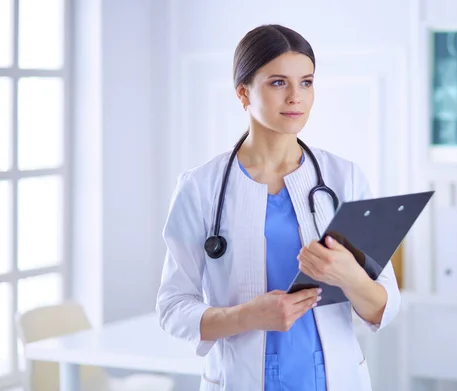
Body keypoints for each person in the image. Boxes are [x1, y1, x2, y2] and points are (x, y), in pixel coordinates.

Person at [156, 24, 401, 391]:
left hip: (331, 378)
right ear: (243, 93)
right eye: (277, 83)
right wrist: (247, 316)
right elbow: (173, 307)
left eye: (306, 82)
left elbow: (385, 307)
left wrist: (348, 274)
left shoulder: (343, 178)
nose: (295, 97)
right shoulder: (201, 188)